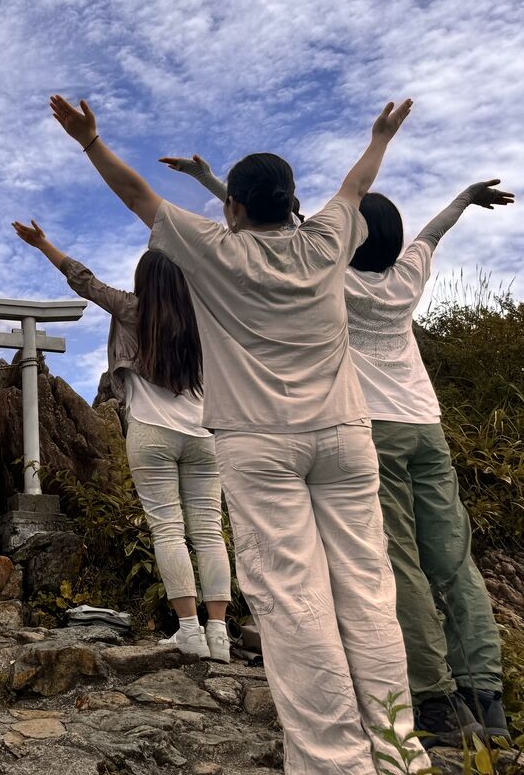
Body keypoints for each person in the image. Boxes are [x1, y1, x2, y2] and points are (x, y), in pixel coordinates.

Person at [48, 93, 429, 774]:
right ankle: (401, 755)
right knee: (369, 588)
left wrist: (91, 142)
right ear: (292, 202)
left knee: (294, 600)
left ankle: (333, 762)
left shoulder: (215, 250)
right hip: (346, 435)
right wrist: (379, 136)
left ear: (233, 208)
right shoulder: (327, 239)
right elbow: (357, 185)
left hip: (259, 446)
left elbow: (137, 196)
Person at [162, 156, 515, 745]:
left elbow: (272, 222)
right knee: (454, 560)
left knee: (396, 565)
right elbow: (431, 233)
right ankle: (487, 695)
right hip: (426, 425)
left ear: (352, 236)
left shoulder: (331, 273)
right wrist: (465, 197)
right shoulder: (407, 277)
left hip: (367, 427)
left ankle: (434, 700)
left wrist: (207, 182)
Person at [12, 220, 231, 661]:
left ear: (143, 280)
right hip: (203, 435)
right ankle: (220, 635)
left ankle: (189, 631)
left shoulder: (133, 309)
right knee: (209, 533)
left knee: (168, 530)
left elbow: (85, 281)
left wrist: (44, 244)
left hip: (152, 431)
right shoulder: (203, 320)